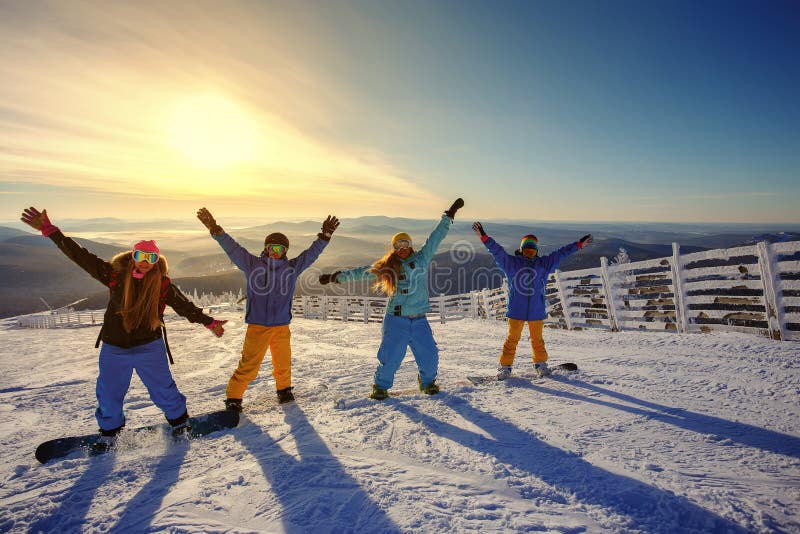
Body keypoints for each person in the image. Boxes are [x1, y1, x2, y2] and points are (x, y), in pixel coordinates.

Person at [20, 207, 226, 449]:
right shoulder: (114, 275)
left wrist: (209, 322)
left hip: (150, 346)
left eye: (151, 258)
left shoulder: (161, 283)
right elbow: (81, 256)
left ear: (157, 260)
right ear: (133, 255)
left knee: (163, 388)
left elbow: (184, 306)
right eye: (141, 256)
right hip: (114, 346)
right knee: (108, 392)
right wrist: (50, 230)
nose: (145, 263)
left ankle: (179, 422)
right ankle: (110, 432)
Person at [319, 199, 464, 399]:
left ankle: (428, 382)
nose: (402, 247)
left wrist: (448, 216)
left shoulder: (422, 258)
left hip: (420, 320)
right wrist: (336, 277)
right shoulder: (387, 266)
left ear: (411, 245)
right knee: (391, 358)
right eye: (398, 245)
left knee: (430, 355)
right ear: (394, 248)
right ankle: (380, 386)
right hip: (396, 319)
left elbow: (436, 237)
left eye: (405, 243)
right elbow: (363, 273)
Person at [197, 208, 339, 410]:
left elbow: (311, 255)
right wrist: (215, 229)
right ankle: (234, 399)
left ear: (285, 252)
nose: (275, 251)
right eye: (272, 247)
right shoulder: (253, 265)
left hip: (281, 326)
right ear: (265, 248)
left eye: (280, 249)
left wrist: (324, 237)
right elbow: (233, 248)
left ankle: (284, 390)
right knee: (249, 366)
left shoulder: (292, 268)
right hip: (258, 326)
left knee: (283, 363)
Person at [472, 221, 593, 378]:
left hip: (536, 311)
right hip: (517, 311)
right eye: (527, 248)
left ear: (536, 251)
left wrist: (578, 245)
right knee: (512, 340)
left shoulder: (543, 264)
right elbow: (498, 252)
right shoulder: (512, 263)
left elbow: (561, 253)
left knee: (537, 340)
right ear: (522, 250)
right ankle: (505, 367)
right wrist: (484, 237)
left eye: (532, 249)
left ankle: (540, 365)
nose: (529, 252)